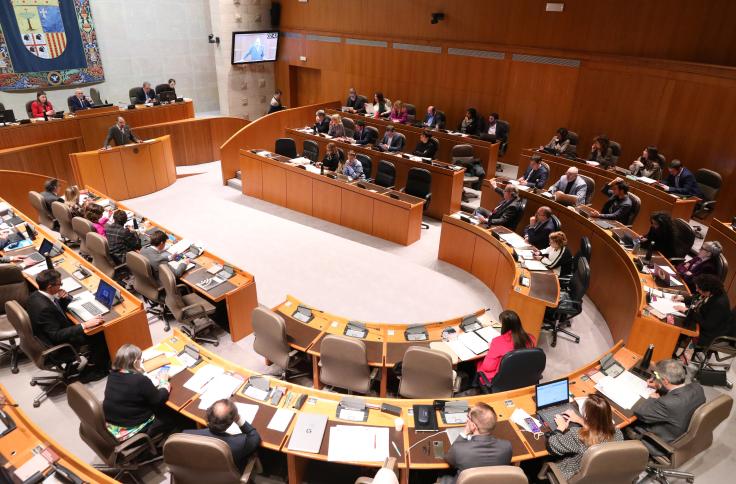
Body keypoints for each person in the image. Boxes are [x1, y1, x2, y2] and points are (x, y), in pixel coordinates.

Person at [26, 269, 107, 381]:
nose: (61, 286)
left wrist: (64, 300)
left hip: (47, 333)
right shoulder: (45, 308)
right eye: (60, 284)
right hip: (57, 344)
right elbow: (56, 335)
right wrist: (85, 325)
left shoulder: (34, 295)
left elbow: (55, 313)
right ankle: (93, 369)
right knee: (99, 333)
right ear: (50, 287)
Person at [103, 344, 179, 441]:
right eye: (140, 360)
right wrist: (164, 382)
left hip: (113, 425)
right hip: (131, 429)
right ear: (135, 362)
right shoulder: (139, 380)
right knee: (173, 415)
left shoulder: (112, 375)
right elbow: (159, 400)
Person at [630, 359, 705, 455]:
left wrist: (653, 398)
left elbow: (641, 413)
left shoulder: (666, 403)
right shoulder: (697, 388)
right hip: (683, 430)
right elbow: (679, 393)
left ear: (665, 381)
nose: (656, 377)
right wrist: (659, 386)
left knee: (627, 425)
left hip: (663, 442)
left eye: (657, 376)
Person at [546, 394, 624, 480]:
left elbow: (552, 446)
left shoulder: (579, 435)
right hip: (603, 475)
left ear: (586, 415)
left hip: (575, 475)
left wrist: (560, 427)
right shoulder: (618, 433)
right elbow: (598, 430)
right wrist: (580, 420)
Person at [436, 402, 512, 484]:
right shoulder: (507, 446)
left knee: (438, 453)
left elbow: (449, 460)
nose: (467, 419)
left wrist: (464, 432)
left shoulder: (459, 449)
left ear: (473, 426)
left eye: (468, 417)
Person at [185, 399, 261, 472]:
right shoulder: (239, 444)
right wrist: (239, 419)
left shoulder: (186, 435)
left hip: (194, 474)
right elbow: (255, 437)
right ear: (231, 423)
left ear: (207, 415)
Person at [673, 274, 734, 348]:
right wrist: (683, 298)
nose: (696, 290)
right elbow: (698, 298)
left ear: (707, 291)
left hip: (708, 334)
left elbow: (707, 325)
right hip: (703, 322)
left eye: (698, 289)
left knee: (676, 329)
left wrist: (687, 311)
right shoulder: (713, 291)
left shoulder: (719, 304)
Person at [476, 310, 535, 383]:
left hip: (502, 380)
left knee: (477, 364)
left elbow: (488, 367)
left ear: (504, 326)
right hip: (523, 375)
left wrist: (492, 348)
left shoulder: (497, 342)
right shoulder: (531, 338)